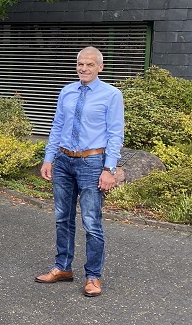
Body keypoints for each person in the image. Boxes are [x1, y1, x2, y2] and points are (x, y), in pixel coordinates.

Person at [34, 46, 123, 297]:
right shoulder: (67, 91)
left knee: (92, 222)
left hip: (92, 163)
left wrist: (109, 169)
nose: (84, 68)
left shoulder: (111, 95)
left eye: (90, 64)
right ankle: (63, 267)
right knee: (63, 218)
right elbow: (57, 125)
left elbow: (116, 134)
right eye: (80, 64)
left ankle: (93, 276)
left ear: (100, 67)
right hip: (63, 160)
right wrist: (49, 158)